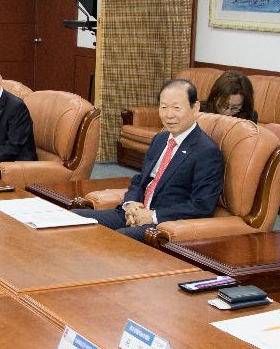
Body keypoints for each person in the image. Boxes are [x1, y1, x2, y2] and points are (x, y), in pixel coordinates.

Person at [73, 78, 223, 241]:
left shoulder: (206, 151)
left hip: (163, 224)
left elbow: (202, 206)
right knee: (74, 219)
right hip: (134, 213)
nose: (169, 114)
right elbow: (139, 180)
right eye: (163, 107)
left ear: (195, 108)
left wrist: (152, 216)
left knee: (119, 239)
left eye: (177, 108)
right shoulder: (160, 139)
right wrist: (130, 204)